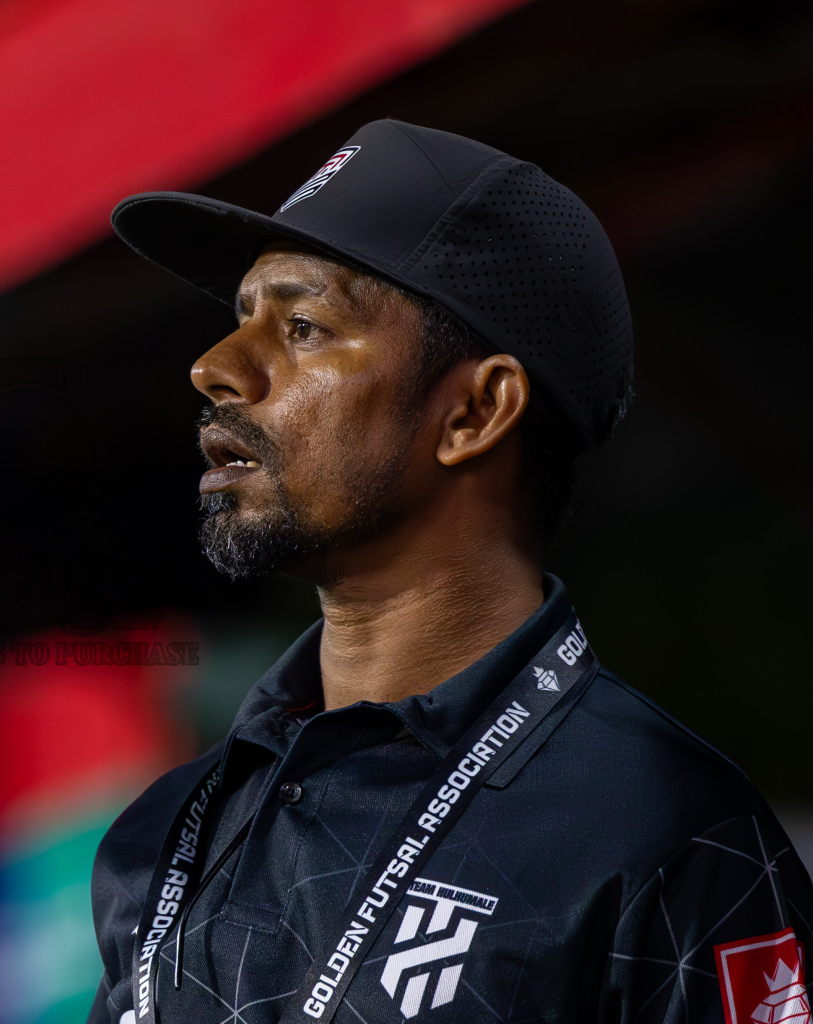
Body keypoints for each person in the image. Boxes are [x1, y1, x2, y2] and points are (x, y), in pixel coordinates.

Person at [87, 120, 813, 1024]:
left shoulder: (666, 829)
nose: (215, 368)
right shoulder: (158, 841)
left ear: (475, 410)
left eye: (303, 325)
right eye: (241, 320)